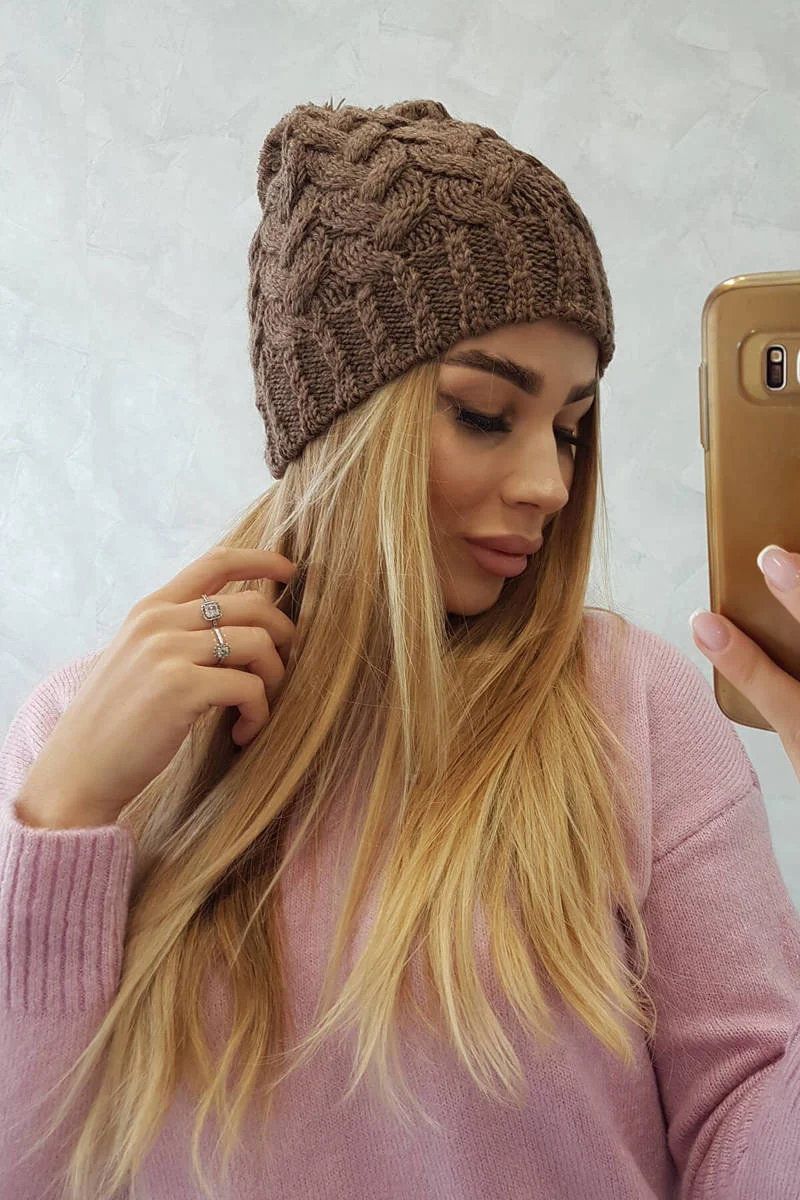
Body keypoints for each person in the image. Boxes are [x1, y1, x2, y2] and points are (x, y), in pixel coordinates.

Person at [2, 97, 800, 1200]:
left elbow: (746, 1138)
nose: (550, 484)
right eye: (484, 413)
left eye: (569, 429)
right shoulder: (81, 739)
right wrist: (64, 819)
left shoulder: (633, 707)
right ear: (339, 422)